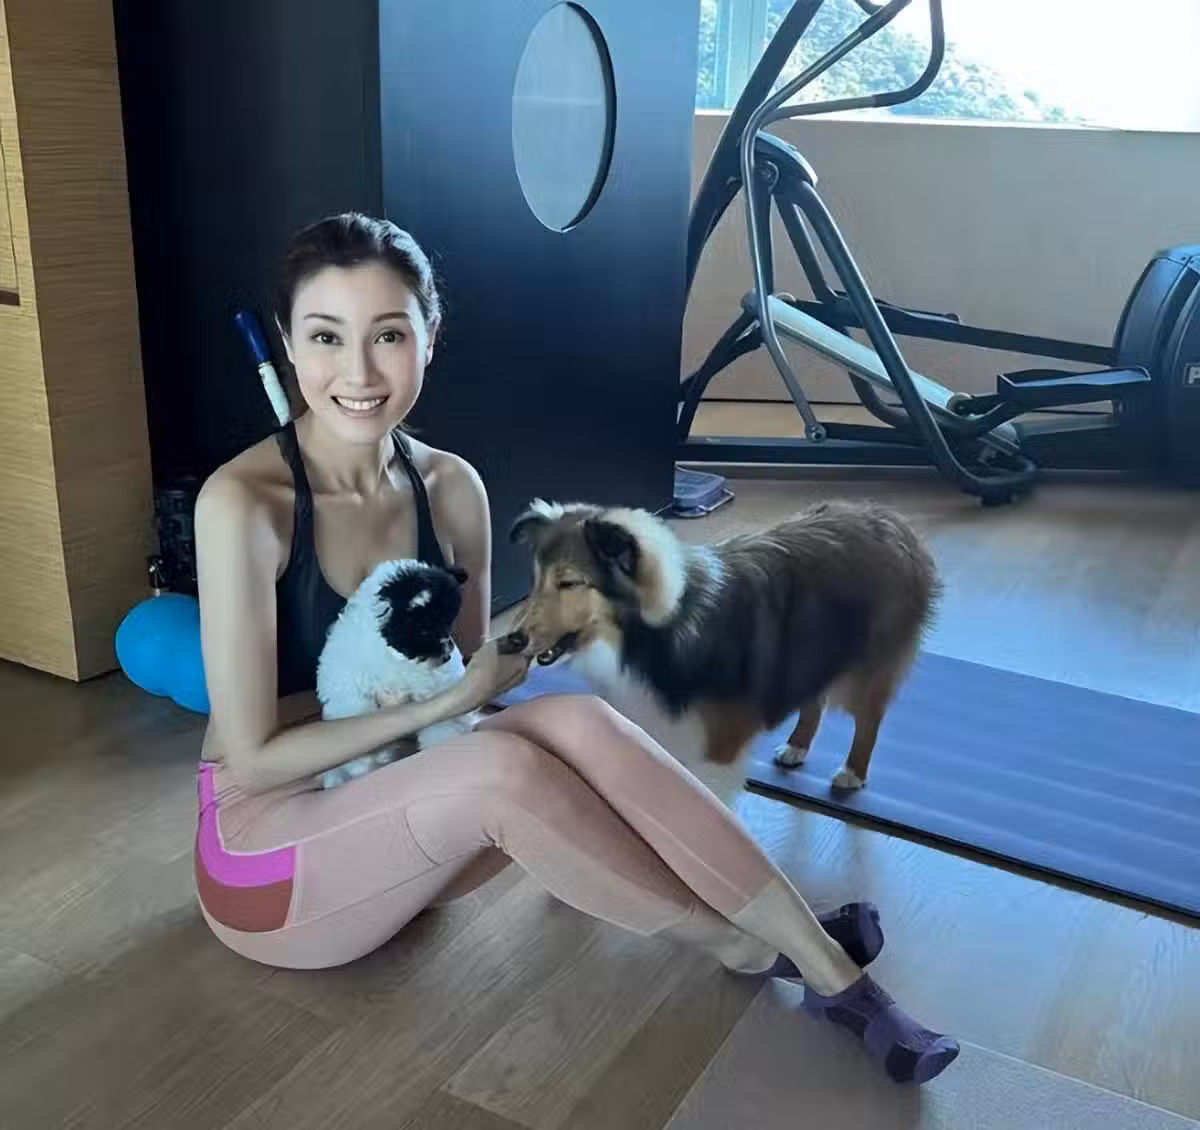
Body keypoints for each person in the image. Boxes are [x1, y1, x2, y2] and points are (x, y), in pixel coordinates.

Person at [192, 212, 959, 1085]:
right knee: (499, 767)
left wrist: (526, 650)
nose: (359, 373)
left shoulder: (450, 488)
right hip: (266, 863)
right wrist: (456, 700)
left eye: (389, 335)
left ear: (430, 338)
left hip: (400, 822)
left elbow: (461, 680)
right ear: (288, 342)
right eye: (326, 336)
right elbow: (255, 760)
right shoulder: (244, 503)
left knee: (576, 721)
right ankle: (758, 950)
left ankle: (816, 958)